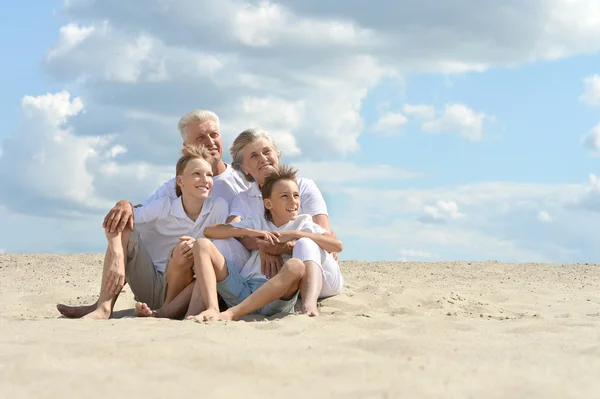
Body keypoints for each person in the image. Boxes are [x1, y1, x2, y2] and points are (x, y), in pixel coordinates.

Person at [57, 146, 229, 319]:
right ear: (180, 181)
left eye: (209, 175)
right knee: (127, 232)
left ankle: (165, 311)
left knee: (184, 250)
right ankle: (103, 308)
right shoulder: (162, 207)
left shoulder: (219, 207)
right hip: (151, 285)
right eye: (196, 174)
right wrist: (118, 256)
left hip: (188, 293)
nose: (205, 180)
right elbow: (116, 223)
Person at [190, 164, 344, 321]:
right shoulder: (258, 222)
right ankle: (212, 308)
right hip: (243, 289)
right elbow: (209, 231)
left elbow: (337, 245)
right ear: (268, 204)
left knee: (296, 265)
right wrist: (249, 232)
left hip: (276, 299)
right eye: (285, 196)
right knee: (202, 244)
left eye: (296, 196)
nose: (293, 201)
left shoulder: (303, 223)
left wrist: (294, 234)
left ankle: (232, 313)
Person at [226, 128, 339, 289]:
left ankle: (308, 303)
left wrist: (279, 247)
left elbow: (323, 233)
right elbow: (233, 233)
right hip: (270, 277)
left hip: (315, 272)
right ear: (244, 168)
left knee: (306, 243)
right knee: (221, 243)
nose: (263, 159)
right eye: (254, 156)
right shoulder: (242, 198)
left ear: (276, 155)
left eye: (267, 151)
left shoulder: (304, 187)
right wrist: (264, 246)